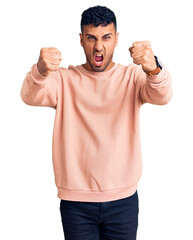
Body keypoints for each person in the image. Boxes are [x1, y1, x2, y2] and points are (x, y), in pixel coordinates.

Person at [20, 5, 172, 240]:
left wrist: (153, 67)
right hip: (76, 203)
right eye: (91, 38)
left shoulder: (131, 76)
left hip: (123, 201)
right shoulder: (63, 79)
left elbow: (163, 96)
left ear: (116, 39)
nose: (99, 46)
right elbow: (29, 96)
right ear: (81, 40)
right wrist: (40, 71)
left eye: (106, 37)